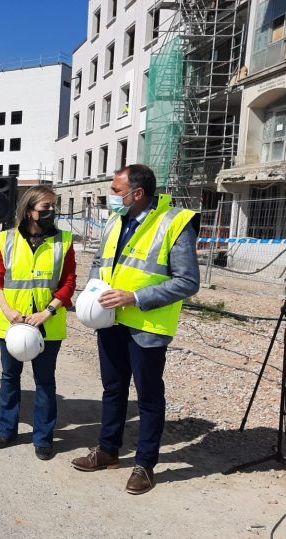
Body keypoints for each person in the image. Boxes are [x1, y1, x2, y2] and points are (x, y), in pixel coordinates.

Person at [71, 164, 200, 494]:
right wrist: (93, 295)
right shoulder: (115, 220)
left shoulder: (174, 222)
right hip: (111, 321)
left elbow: (188, 281)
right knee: (113, 390)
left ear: (137, 193)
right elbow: (100, 263)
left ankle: (145, 465)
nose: (111, 196)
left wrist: (135, 297)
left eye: (116, 190)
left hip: (147, 326)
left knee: (148, 398)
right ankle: (107, 450)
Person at [0, 186, 76, 459]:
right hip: (12, 324)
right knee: (9, 377)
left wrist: (48, 311)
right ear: (28, 210)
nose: (51, 211)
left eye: (53, 206)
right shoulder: (6, 239)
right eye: (45, 207)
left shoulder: (63, 241)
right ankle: (6, 429)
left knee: (45, 381)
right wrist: (7, 310)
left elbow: (69, 283)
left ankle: (43, 438)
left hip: (47, 324)